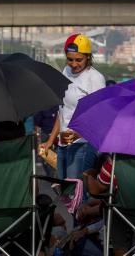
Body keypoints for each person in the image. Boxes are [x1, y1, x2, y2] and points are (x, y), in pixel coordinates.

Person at [40, 34, 106, 180]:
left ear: (88, 57)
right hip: (63, 143)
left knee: (76, 192)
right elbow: (62, 111)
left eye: (79, 60)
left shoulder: (95, 78)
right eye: (70, 59)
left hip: (83, 145)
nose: (74, 64)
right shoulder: (66, 72)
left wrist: (78, 134)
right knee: (65, 190)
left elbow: (99, 117)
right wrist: (50, 141)